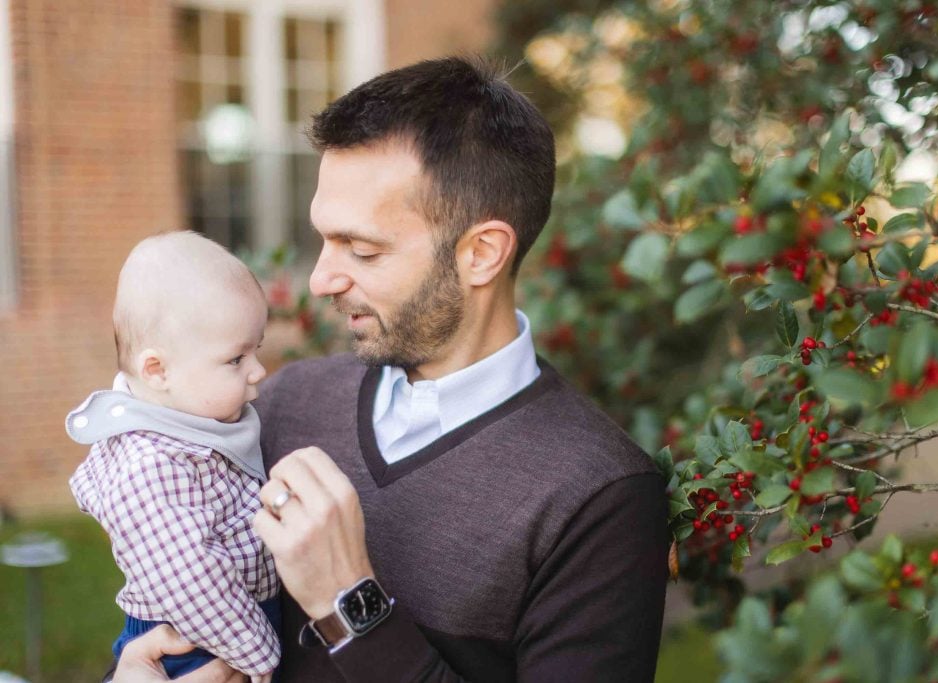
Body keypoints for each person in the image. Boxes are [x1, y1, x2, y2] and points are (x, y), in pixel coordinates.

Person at [113, 56, 668, 682]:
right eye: (323, 239)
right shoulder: (278, 406)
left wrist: (350, 604)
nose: (322, 279)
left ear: (481, 253)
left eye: (363, 249)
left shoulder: (600, 498)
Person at [68, 232, 280, 682]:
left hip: (228, 622)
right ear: (158, 370)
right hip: (198, 642)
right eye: (235, 359)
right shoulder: (148, 466)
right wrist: (259, 657)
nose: (258, 370)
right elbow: (190, 581)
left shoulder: (191, 423)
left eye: (255, 350)